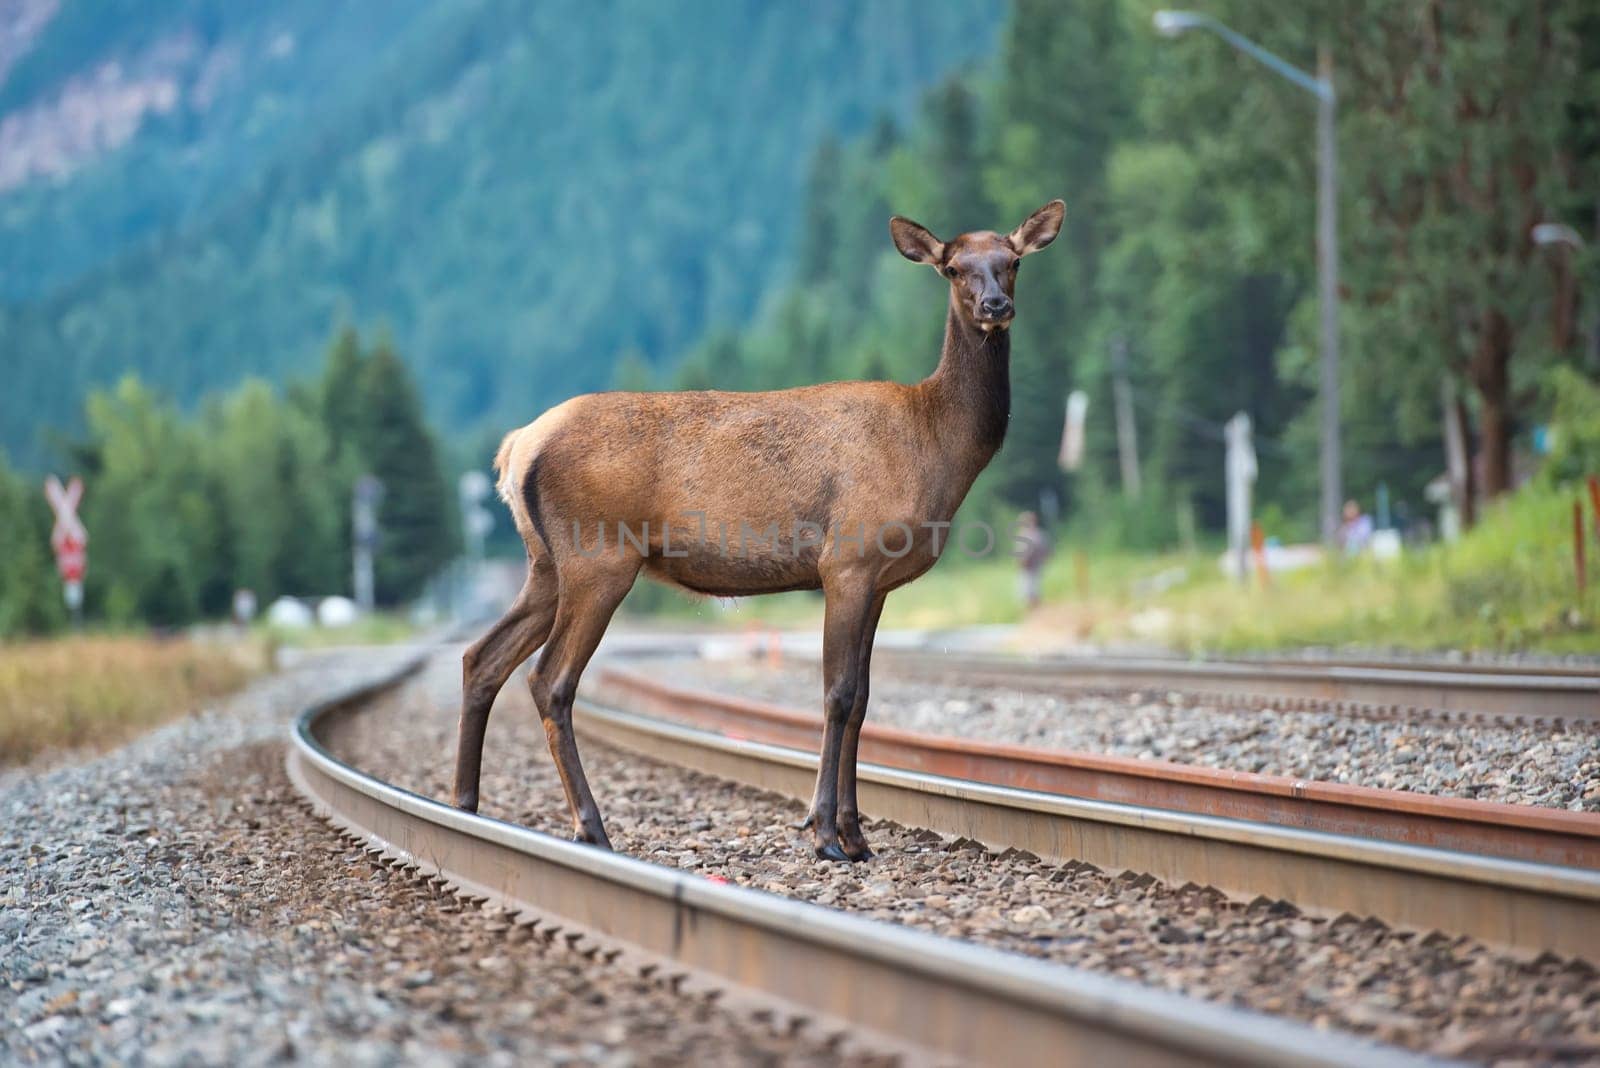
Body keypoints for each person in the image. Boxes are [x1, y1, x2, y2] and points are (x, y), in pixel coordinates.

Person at [1013, 511, 1051, 609]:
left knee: (1030, 595)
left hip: (1031, 568)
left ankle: (1035, 615)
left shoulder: (1034, 535)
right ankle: (1034, 615)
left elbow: (1045, 553)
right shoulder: (1038, 535)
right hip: (1031, 569)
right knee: (1029, 594)